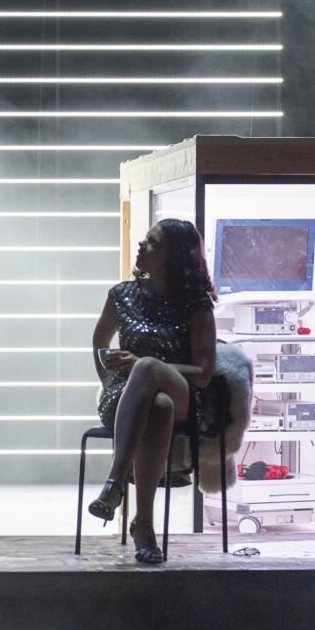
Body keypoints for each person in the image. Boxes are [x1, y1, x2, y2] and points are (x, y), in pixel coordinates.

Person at [86, 218, 218, 565]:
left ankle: (114, 484)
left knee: (146, 368)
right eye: (145, 239)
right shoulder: (121, 295)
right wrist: (108, 382)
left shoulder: (196, 304)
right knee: (157, 407)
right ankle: (143, 526)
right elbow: (100, 344)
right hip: (125, 397)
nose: (142, 246)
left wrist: (149, 365)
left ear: (174, 256)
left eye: (153, 243)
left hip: (184, 395)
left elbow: (204, 374)